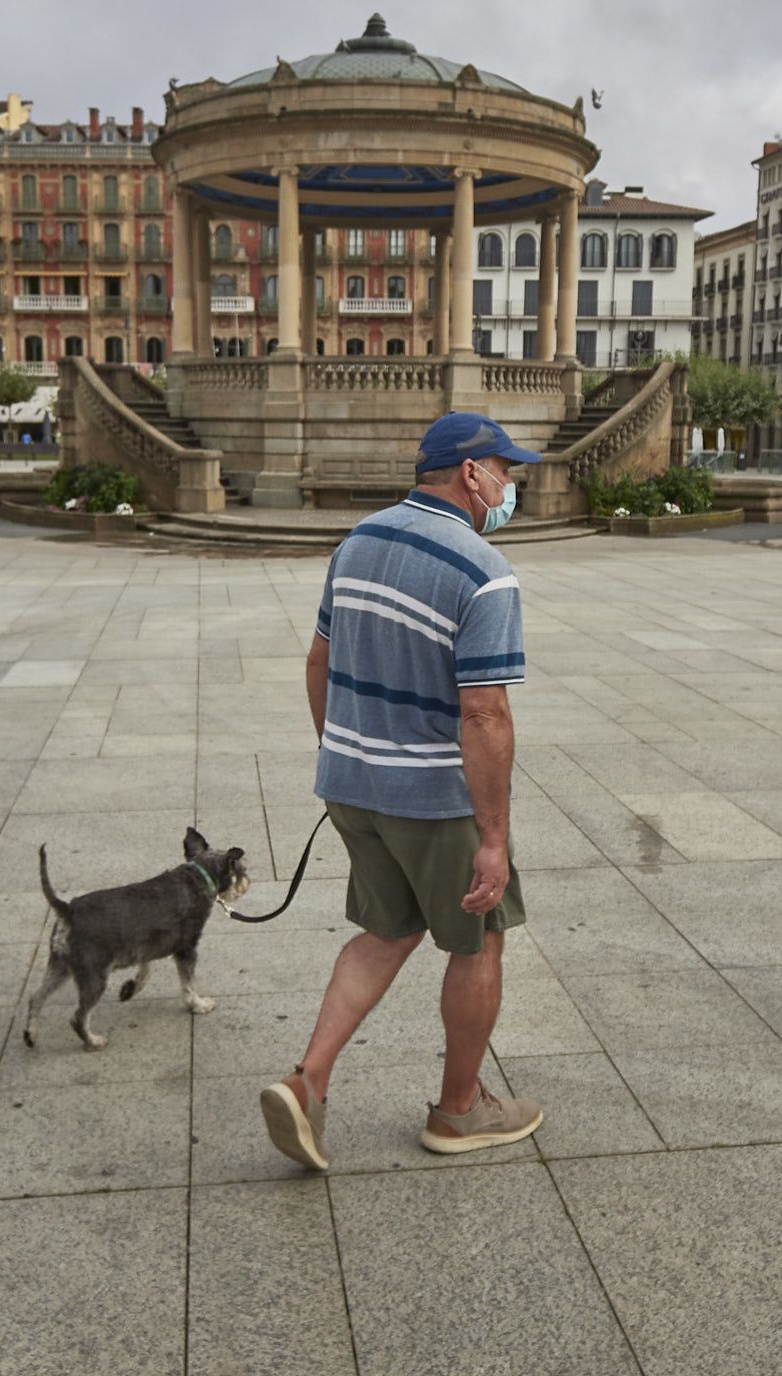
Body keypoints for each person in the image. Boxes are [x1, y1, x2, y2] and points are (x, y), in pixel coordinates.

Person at [259, 411, 544, 1172]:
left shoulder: (358, 542)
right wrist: (491, 839)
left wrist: (346, 755)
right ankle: (459, 1110)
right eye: (505, 472)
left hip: (351, 783)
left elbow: (317, 664)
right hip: (433, 798)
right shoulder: (482, 570)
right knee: (479, 936)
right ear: (471, 474)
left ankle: (307, 1081)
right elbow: (484, 712)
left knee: (385, 931)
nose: (510, 485)